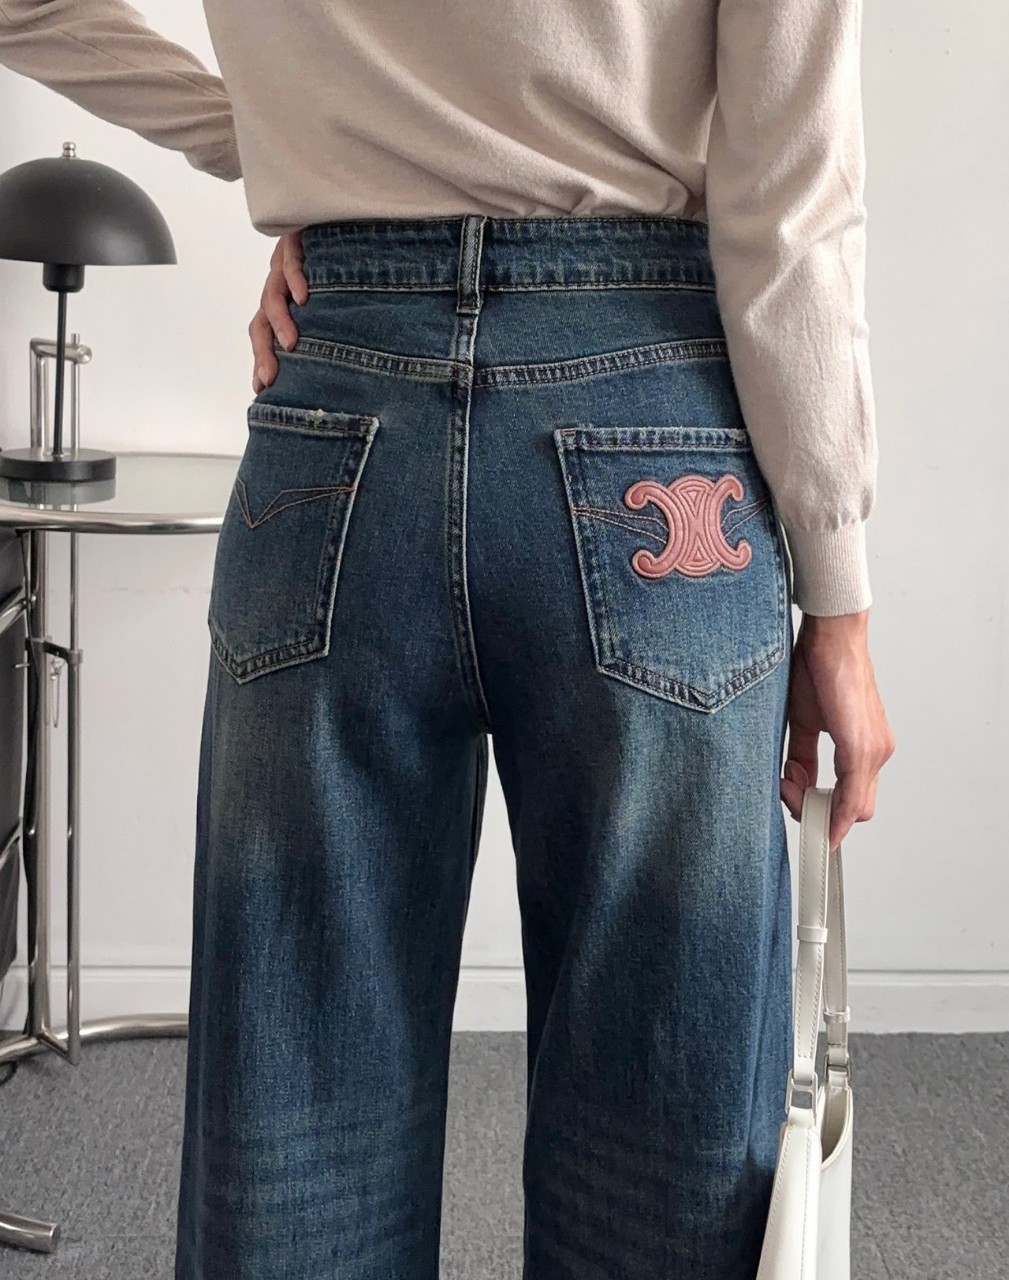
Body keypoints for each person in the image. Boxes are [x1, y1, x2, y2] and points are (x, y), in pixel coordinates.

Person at [0, 2, 895, 1277]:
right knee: (665, 1120)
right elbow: (788, 196)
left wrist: (303, 144)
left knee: (300, 1089)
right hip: (652, 429)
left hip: (341, 397)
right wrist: (838, 599)